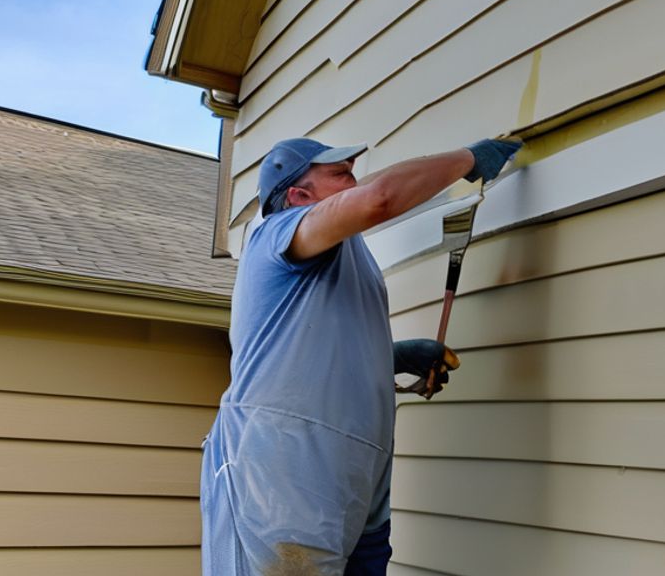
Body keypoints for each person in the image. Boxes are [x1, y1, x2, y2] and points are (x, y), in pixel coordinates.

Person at [200, 137, 521, 576]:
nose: (353, 180)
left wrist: (390, 358)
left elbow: (308, 349)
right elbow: (378, 197)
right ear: (298, 197)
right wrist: (468, 159)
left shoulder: (348, 257)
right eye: (341, 174)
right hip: (280, 476)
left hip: (357, 473)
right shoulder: (276, 232)